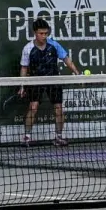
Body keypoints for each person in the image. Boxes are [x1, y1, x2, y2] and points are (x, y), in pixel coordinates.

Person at [18, 18, 80, 146]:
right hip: (36, 81)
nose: (44, 36)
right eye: (41, 33)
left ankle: (58, 137)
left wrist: (77, 73)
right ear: (35, 33)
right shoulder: (28, 48)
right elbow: (24, 67)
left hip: (54, 80)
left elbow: (66, 59)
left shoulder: (54, 45)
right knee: (33, 107)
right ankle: (27, 137)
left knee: (58, 109)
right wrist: (22, 86)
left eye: (46, 33)